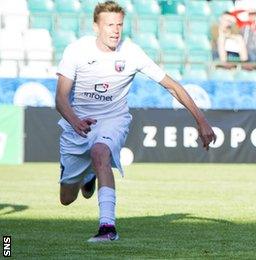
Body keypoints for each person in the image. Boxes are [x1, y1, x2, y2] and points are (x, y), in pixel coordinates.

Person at [55, 1, 216, 242]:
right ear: (96, 26)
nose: (115, 30)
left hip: (113, 119)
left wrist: (201, 120)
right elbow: (60, 97)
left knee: (101, 153)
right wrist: (74, 120)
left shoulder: (131, 52)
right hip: (78, 124)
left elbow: (172, 86)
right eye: (109, 24)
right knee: (66, 199)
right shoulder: (76, 51)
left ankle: (107, 229)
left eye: (119, 25)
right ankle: (87, 177)